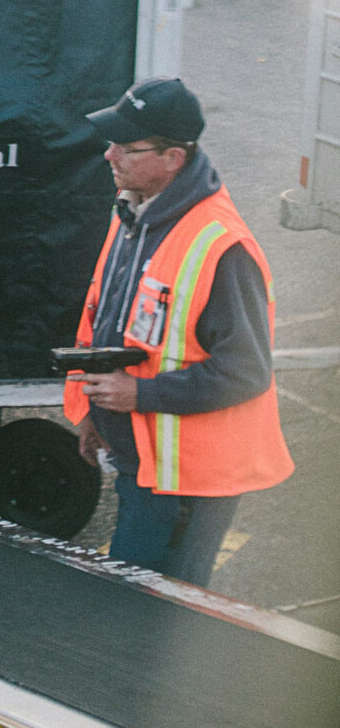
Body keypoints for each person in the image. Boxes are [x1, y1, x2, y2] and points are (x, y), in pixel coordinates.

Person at [64, 77, 293, 587]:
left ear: (173, 158)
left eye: (127, 147)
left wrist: (138, 394)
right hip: (145, 466)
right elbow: (117, 325)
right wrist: (97, 414)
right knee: (135, 609)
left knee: (159, 618)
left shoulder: (222, 246)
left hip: (187, 482)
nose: (109, 156)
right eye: (111, 143)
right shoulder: (136, 213)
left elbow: (246, 372)